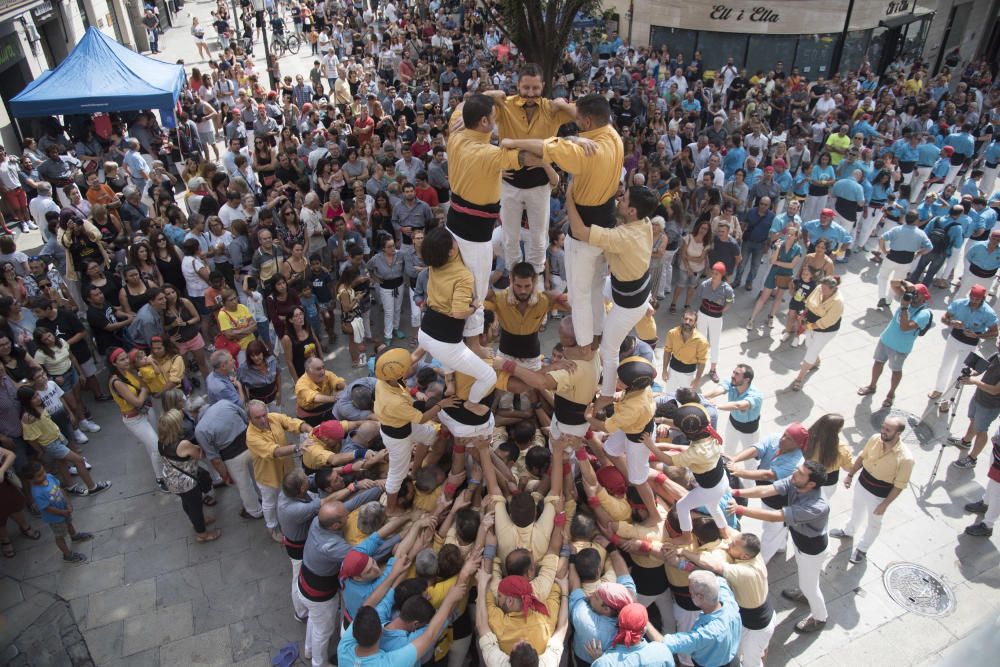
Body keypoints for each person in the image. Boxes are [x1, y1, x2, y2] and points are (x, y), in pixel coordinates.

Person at [502, 94, 623, 349]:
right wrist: (571, 129)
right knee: (594, 289)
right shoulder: (613, 136)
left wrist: (512, 141)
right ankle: (597, 338)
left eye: (578, 120)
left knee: (579, 297)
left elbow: (546, 147)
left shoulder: (584, 152)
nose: (574, 121)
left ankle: (584, 348)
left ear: (588, 122)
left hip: (583, 233)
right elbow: (573, 126)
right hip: (607, 228)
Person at [567, 183, 656, 402]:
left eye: (623, 199)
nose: (619, 200)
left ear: (632, 211)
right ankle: (593, 336)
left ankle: (606, 395)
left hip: (629, 304)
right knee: (588, 293)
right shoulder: (644, 221)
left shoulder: (623, 237)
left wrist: (570, 194)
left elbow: (578, 231)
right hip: (626, 286)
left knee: (609, 349)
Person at [442, 94, 521, 338]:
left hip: (455, 223)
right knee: (476, 290)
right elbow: (528, 157)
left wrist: (486, 98)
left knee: (460, 285)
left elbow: (462, 105)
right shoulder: (489, 154)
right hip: (474, 236)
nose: (497, 121)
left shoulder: (456, 133)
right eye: (494, 117)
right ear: (484, 122)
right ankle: (474, 342)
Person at [729, 460, 831, 633]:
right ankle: (804, 593)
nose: (795, 473)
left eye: (800, 473)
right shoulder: (796, 481)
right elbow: (767, 490)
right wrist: (736, 491)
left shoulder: (816, 506)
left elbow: (775, 516)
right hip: (800, 540)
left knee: (810, 586)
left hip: (811, 549)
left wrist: (739, 509)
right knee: (806, 578)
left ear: (811, 484)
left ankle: (820, 617)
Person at [373, 348, 455, 516]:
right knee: (397, 475)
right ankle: (390, 508)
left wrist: (426, 342)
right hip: (398, 437)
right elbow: (422, 418)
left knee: (431, 436)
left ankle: (416, 468)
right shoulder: (394, 402)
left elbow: (415, 356)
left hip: (402, 424)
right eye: (407, 365)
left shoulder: (385, 380)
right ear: (398, 373)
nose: (413, 364)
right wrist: (441, 405)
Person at [831, 416, 914, 564]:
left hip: (879, 495)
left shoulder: (906, 458)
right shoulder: (875, 439)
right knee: (856, 510)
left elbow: (899, 485)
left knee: (874, 523)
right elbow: (862, 457)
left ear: (898, 433)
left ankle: (862, 549)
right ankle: (848, 531)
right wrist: (850, 475)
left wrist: (884, 504)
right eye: (883, 427)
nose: (883, 431)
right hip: (863, 483)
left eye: (888, 430)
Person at [727, 423, 808, 562]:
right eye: (784, 435)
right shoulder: (775, 438)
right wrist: (734, 459)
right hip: (766, 492)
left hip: (779, 499)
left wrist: (740, 472)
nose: (783, 439)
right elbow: (757, 449)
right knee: (774, 528)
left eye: (789, 439)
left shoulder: (796, 462)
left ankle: (760, 562)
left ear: (798, 444)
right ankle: (781, 545)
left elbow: (768, 476)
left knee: (771, 532)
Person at [857, 281, 932, 409]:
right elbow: (893, 283)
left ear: (924, 297)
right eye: (914, 293)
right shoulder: (907, 298)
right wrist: (906, 284)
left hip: (900, 348)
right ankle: (872, 386)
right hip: (886, 339)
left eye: (917, 295)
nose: (914, 297)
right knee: (878, 362)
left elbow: (905, 327)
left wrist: (904, 308)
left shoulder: (924, 313)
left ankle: (891, 394)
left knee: (896, 370)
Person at [245, 399, 312, 542]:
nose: (263, 420)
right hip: (268, 476)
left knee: (288, 495)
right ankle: (272, 528)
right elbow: (275, 452)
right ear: (249, 419)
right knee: (269, 502)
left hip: (287, 469)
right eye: (258, 417)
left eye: (264, 415)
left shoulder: (273, 418)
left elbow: (291, 422)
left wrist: (308, 429)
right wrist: (298, 446)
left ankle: (293, 515)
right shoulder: (251, 436)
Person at [929, 285, 999, 409]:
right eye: (972, 297)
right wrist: (951, 323)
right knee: (945, 365)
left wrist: (978, 334)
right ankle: (938, 389)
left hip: (970, 344)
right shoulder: (960, 303)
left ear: (983, 298)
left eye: (977, 299)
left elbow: (994, 332)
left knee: (958, 372)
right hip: (954, 338)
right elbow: (944, 318)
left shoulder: (988, 313)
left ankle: (946, 400)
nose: (973, 301)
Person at [157, 409, 221, 543]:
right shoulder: (182, 444)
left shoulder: (161, 441)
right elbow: (200, 455)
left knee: (187, 504)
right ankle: (202, 534)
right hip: (187, 483)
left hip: (171, 479)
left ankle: (199, 522)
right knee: (196, 507)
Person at [193, 398, 260, 521]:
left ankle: (255, 511)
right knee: (259, 474)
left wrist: (225, 476)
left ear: (194, 413)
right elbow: (246, 417)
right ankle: (265, 497)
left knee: (244, 485)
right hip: (251, 444)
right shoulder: (224, 403)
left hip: (232, 457)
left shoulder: (200, 429)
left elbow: (214, 458)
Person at [27, 460, 93, 563]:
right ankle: (67, 554)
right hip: (55, 518)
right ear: (31, 480)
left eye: (43, 471)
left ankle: (74, 536)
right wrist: (62, 512)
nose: (43, 475)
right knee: (60, 536)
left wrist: (67, 503)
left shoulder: (49, 476)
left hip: (64, 509)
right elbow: (47, 508)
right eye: (39, 475)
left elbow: (60, 489)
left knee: (69, 523)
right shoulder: (37, 492)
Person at [791, 276, 844, 391]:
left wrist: (808, 326)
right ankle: (816, 360)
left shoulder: (838, 302)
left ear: (833, 289)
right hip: (810, 322)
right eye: (822, 287)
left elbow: (825, 322)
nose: (822, 290)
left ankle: (799, 379)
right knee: (809, 345)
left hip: (826, 330)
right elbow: (809, 302)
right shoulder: (819, 288)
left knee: (811, 352)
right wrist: (803, 314)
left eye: (825, 289)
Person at [949, 352, 1000, 469]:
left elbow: (995, 390)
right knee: (973, 420)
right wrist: (971, 373)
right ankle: (966, 442)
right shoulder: (996, 355)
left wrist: (974, 381)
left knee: (981, 430)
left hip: (990, 405)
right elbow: (980, 369)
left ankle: (972, 459)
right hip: (979, 396)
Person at [704, 364, 764, 457]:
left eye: (737, 374)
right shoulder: (732, 382)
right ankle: (728, 470)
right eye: (733, 372)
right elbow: (718, 390)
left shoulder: (756, 396)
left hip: (749, 431)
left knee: (749, 459)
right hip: (732, 423)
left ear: (746, 379)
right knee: (728, 450)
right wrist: (701, 398)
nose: (733, 375)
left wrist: (716, 406)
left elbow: (738, 405)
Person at [876, 211, 932, 308]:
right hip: (907, 261)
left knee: (882, 277)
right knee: (897, 282)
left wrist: (884, 250)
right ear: (916, 220)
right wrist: (919, 253)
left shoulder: (897, 229)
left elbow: (882, 238)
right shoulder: (921, 233)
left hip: (891, 257)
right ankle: (888, 301)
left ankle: (882, 297)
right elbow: (929, 247)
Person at [693, 262, 734, 383]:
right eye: (713, 272)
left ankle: (713, 369)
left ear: (722, 275)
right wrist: (696, 315)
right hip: (703, 314)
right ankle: (698, 363)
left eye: (716, 273)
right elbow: (698, 299)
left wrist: (721, 310)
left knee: (715, 343)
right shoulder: (705, 284)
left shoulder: (727, 289)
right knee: (701, 340)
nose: (714, 275)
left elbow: (730, 302)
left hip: (716, 318)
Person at [662, 309, 709, 393]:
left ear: (695, 323)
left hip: (688, 373)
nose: (687, 322)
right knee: (669, 393)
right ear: (682, 319)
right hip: (673, 368)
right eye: (685, 319)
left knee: (685, 398)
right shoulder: (672, 333)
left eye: (691, 320)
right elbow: (667, 351)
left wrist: (697, 379)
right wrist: (664, 370)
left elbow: (702, 362)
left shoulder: (701, 341)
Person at [294, 356, 345, 426]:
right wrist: (335, 398)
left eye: (323, 367)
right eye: (318, 369)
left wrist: (343, 387)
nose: (322, 372)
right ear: (308, 371)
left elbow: (339, 383)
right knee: (315, 435)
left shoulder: (327, 374)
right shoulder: (301, 385)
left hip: (327, 406)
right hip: (310, 416)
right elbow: (315, 398)